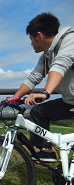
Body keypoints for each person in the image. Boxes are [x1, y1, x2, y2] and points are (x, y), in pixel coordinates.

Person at [12, 12, 74, 162]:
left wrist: (46, 92)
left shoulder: (70, 40)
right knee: (38, 112)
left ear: (39, 35)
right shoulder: (47, 55)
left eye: (31, 39)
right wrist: (13, 98)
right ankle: (46, 150)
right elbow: (34, 77)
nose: (31, 43)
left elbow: (60, 65)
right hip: (70, 101)